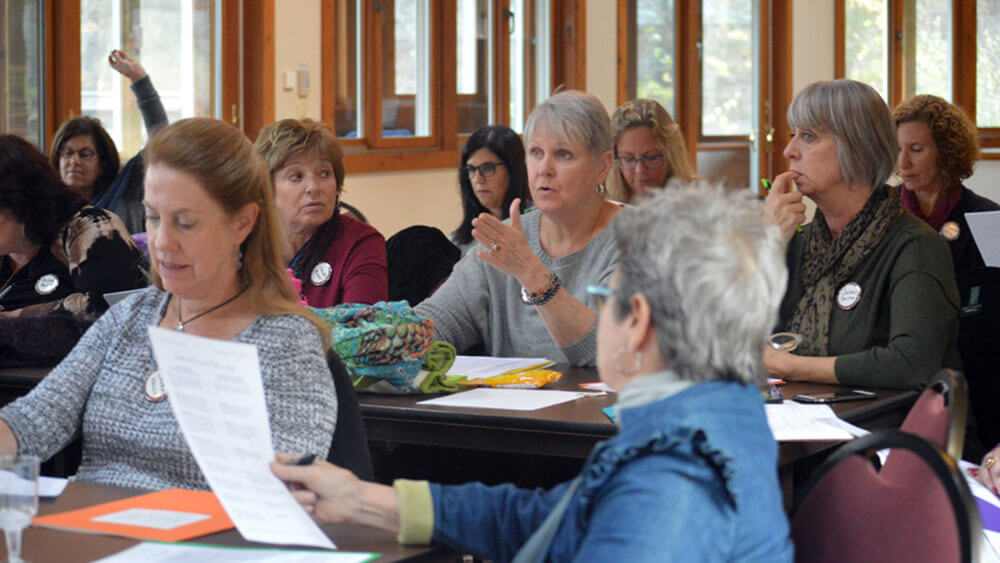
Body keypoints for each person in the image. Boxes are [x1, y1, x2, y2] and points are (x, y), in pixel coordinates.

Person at [272, 186, 794, 562]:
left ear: (638, 325)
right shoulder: (709, 421)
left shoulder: (673, 485)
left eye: (605, 300)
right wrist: (363, 499)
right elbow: (543, 517)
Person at [0, 118, 337, 490]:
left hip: (206, 541)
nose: (161, 242)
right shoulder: (130, 316)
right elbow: (33, 420)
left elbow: (285, 490)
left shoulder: (287, 342)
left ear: (243, 222)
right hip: (95, 530)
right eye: (153, 217)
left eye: (185, 223)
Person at [763, 79, 960, 389]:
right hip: (801, 422)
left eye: (809, 137)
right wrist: (767, 248)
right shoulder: (796, 241)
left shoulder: (916, 246)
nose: (789, 150)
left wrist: (789, 365)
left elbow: (912, 363)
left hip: (886, 428)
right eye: (793, 135)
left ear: (856, 149)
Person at [415, 91, 621, 367]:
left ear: (603, 166)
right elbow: (436, 323)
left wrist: (532, 274)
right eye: (536, 153)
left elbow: (611, 351)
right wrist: (371, 337)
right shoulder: (506, 238)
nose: (544, 169)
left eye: (564, 154)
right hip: (509, 410)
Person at [0, 135, 147, 367]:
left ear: (19, 202)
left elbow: (107, 320)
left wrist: (10, 325)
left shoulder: (90, 227)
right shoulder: (6, 251)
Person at [255, 118, 387, 308]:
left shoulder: (360, 242)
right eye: (296, 177)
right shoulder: (245, 241)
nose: (313, 187)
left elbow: (363, 328)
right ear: (267, 187)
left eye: (324, 173)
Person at [49, 50, 168, 234]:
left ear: (103, 163)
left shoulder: (123, 190)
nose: (74, 161)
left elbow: (160, 137)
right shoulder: (48, 206)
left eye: (85, 154)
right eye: (67, 153)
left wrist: (139, 79)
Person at [894, 94, 999, 275]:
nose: (903, 162)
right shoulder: (880, 209)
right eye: (897, 149)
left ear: (946, 152)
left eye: (916, 149)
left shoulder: (987, 217)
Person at [451, 125, 531, 255]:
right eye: (471, 170)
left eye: (487, 168)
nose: (478, 179)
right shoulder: (460, 240)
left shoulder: (540, 226)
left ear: (513, 170)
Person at [606, 98, 696, 203]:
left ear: (671, 156)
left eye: (651, 158)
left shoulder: (696, 204)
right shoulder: (604, 206)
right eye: (628, 159)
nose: (639, 170)